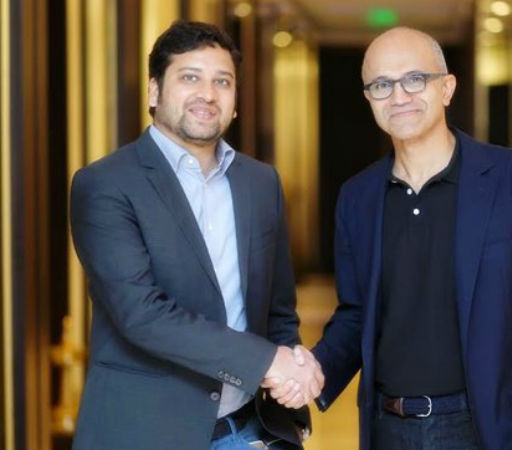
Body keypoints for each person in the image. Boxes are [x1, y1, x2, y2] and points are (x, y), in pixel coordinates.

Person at [308, 27, 512, 450]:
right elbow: (357, 315)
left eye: (415, 79)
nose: (399, 96)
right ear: (369, 98)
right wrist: (311, 369)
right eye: (382, 85)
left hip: (483, 429)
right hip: (388, 429)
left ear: (447, 88)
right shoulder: (357, 197)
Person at [70, 20, 323, 450]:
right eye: (190, 78)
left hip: (249, 432)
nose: (208, 94)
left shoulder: (261, 183)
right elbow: (142, 314)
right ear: (154, 92)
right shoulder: (106, 184)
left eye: (222, 82)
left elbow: (278, 308)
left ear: (235, 101)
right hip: (145, 434)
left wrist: (291, 388)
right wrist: (268, 363)